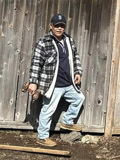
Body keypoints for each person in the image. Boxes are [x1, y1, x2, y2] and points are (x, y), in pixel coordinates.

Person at [27, 14, 85, 147]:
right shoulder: (44, 42)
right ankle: (42, 137)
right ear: (51, 26)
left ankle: (67, 121)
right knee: (48, 109)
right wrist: (33, 81)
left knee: (79, 98)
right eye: (57, 25)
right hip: (52, 85)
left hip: (68, 83)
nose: (59, 28)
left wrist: (77, 72)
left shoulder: (69, 40)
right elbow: (36, 63)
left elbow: (75, 57)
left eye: (62, 26)